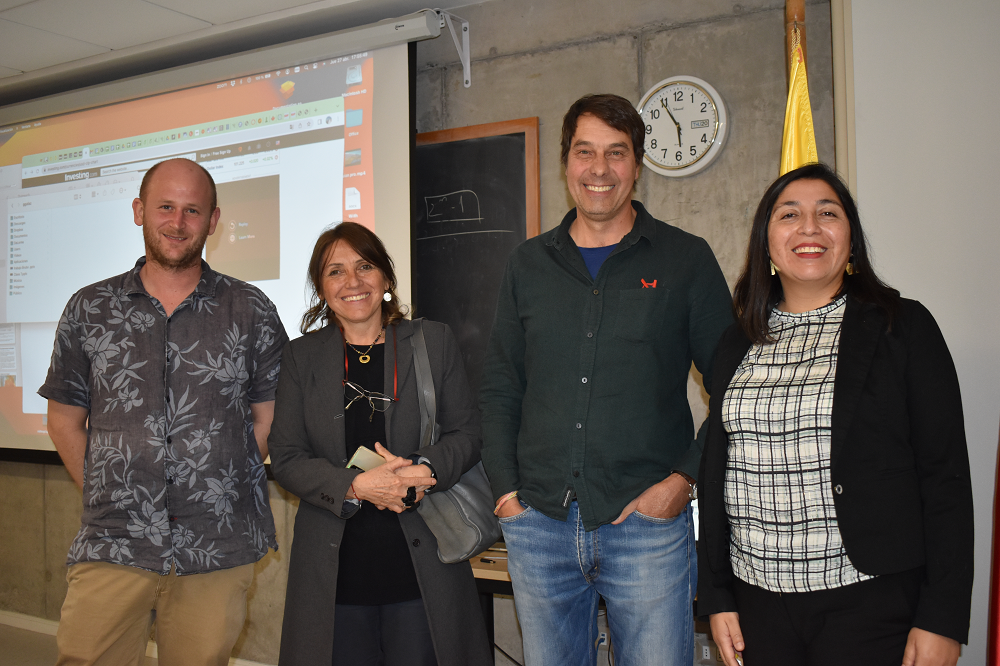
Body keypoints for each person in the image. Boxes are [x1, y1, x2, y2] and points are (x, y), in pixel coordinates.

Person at [479, 93, 732, 665]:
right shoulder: (527, 265)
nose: (600, 169)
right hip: (538, 523)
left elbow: (735, 387)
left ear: (637, 166)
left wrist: (683, 482)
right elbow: (500, 386)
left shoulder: (685, 260)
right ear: (565, 162)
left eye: (616, 153)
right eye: (585, 152)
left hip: (646, 526)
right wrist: (505, 495)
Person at [697, 163, 974, 666]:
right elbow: (719, 473)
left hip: (869, 601)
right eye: (789, 215)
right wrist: (716, 595)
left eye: (828, 213)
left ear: (851, 238)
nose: (809, 228)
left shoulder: (902, 326)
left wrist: (943, 617)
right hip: (757, 604)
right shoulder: (737, 340)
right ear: (765, 242)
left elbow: (946, 478)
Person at [39, 158, 289, 666]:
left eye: (193, 210)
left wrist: (217, 478)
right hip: (114, 538)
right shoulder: (90, 308)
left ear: (213, 221)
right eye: (166, 207)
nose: (178, 223)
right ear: (139, 211)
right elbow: (65, 420)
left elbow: (270, 416)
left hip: (216, 542)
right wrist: (110, 491)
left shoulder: (251, 308)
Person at [267, 222, 492, 666]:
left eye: (364, 266)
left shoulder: (432, 341)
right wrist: (356, 487)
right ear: (321, 287)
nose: (352, 282)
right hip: (335, 575)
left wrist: (424, 468)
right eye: (336, 271)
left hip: (422, 565)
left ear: (385, 277)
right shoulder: (300, 357)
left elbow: (468, 433)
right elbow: (287, 456)